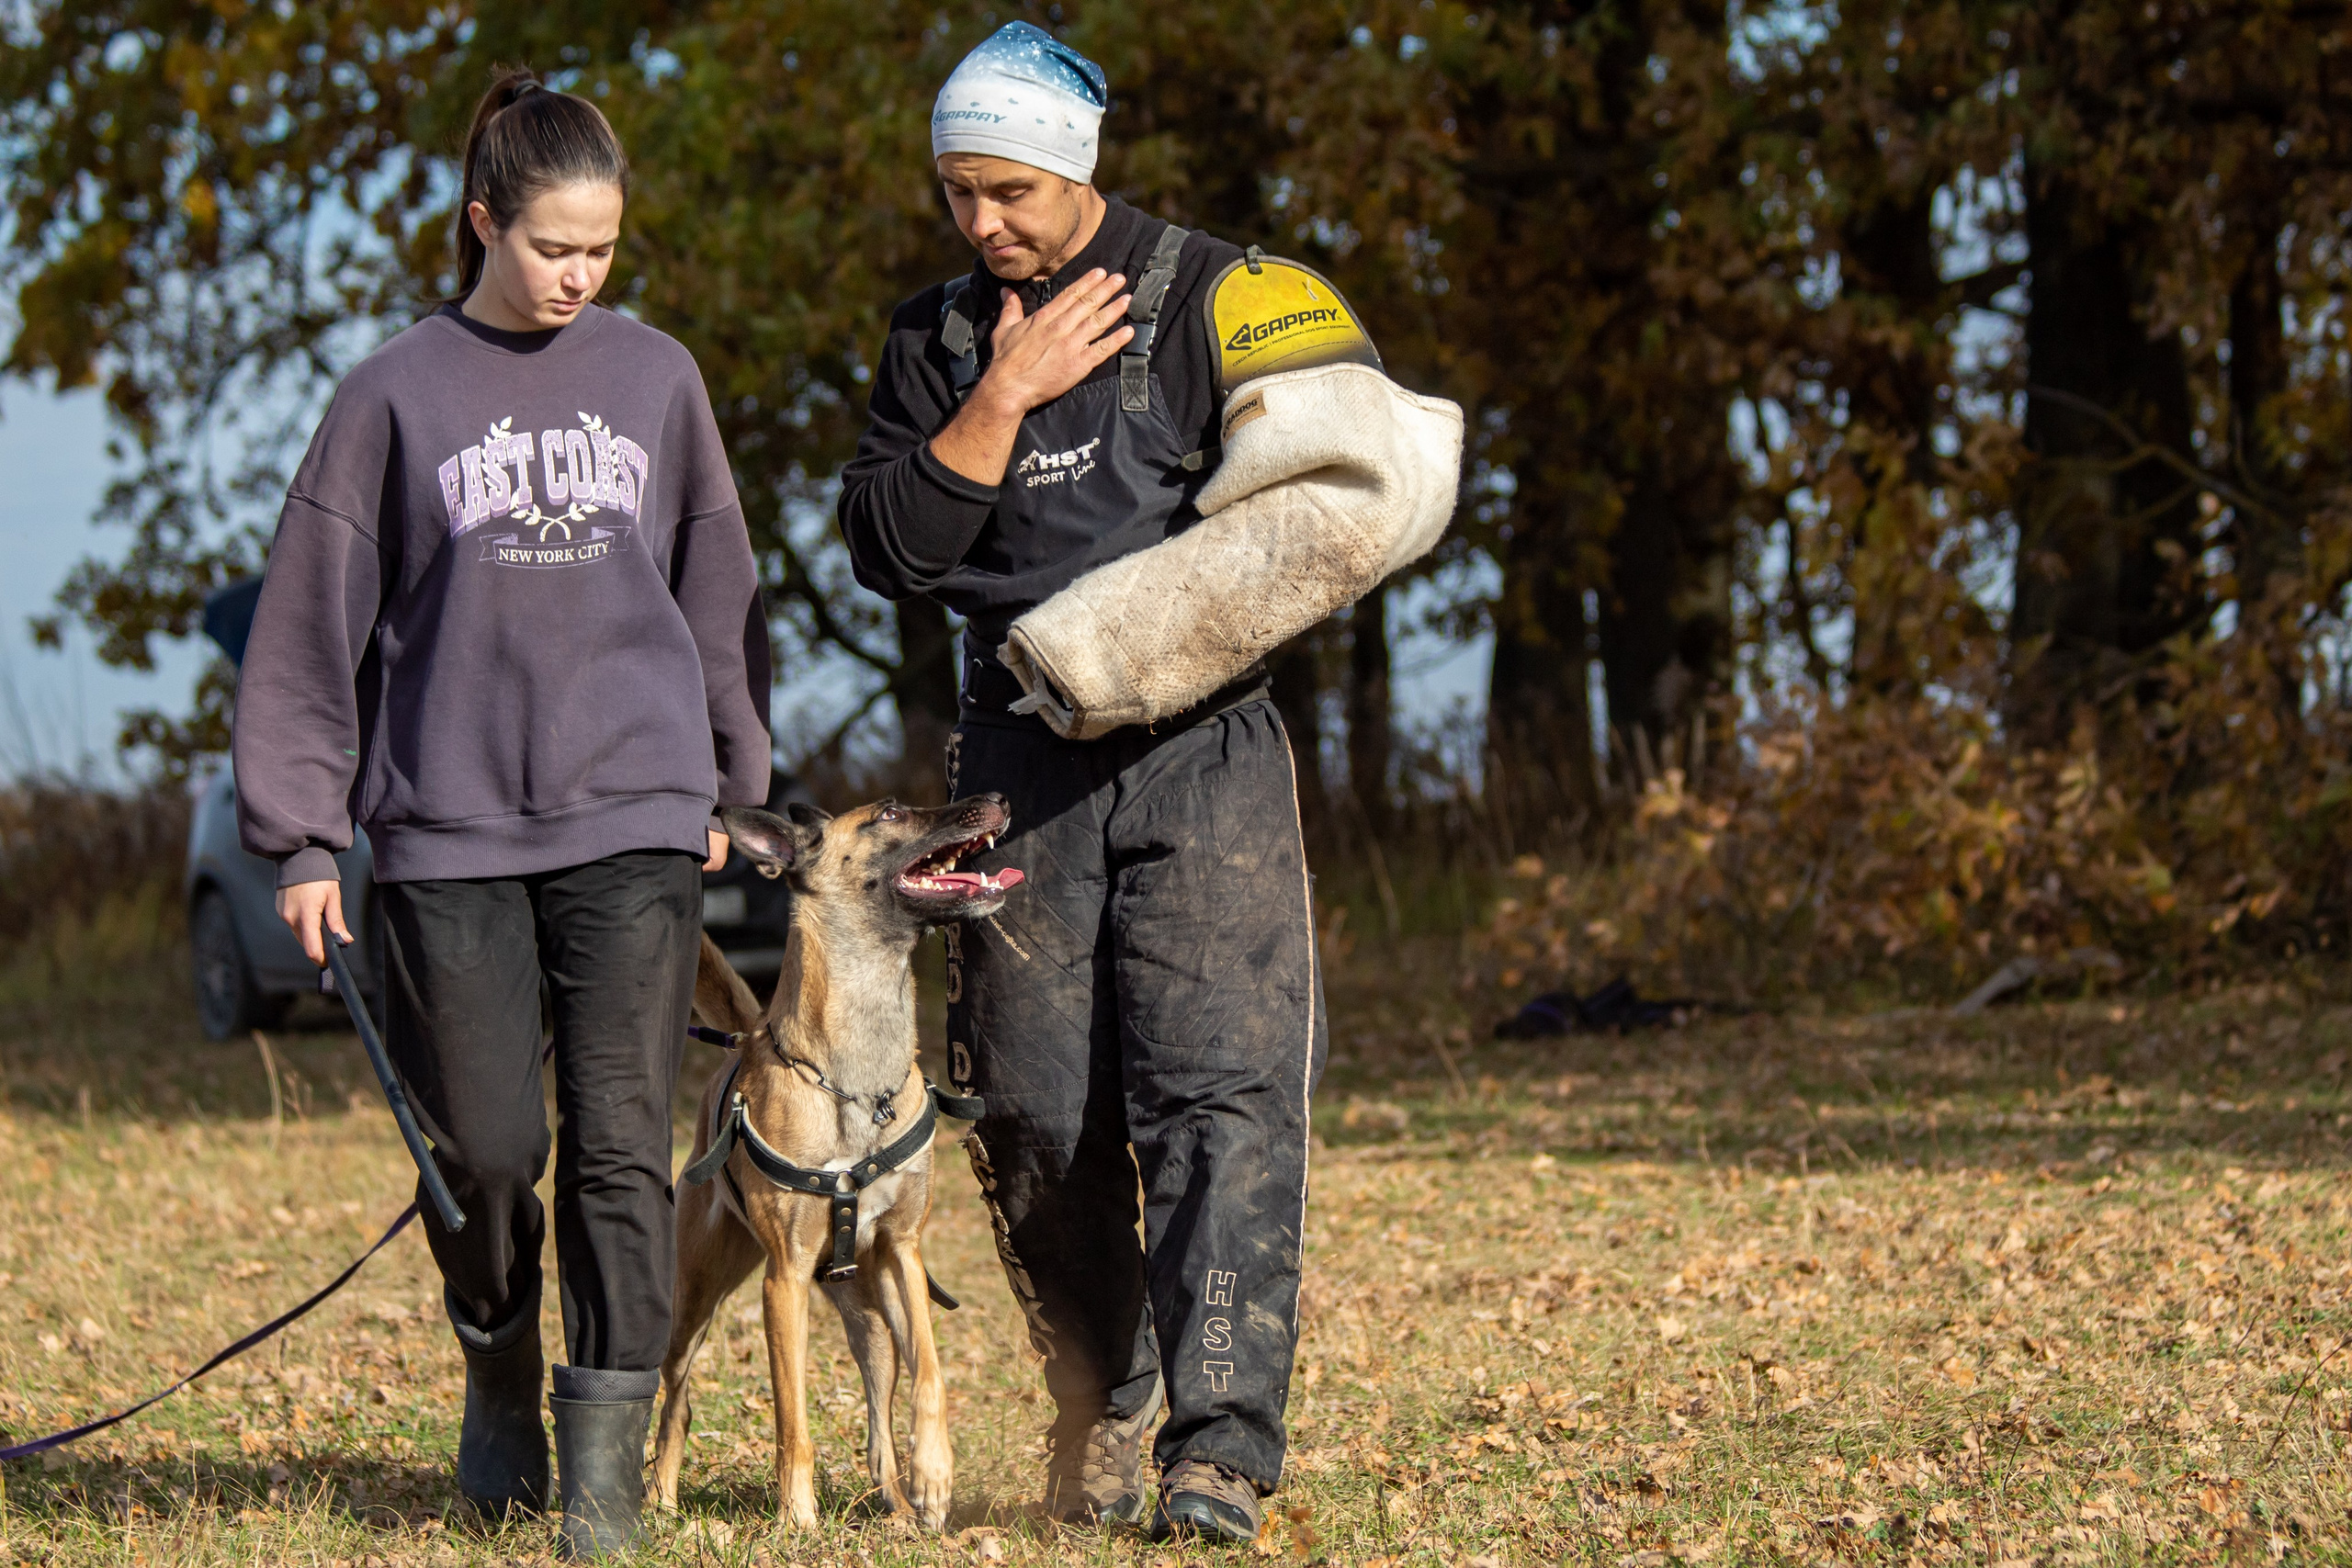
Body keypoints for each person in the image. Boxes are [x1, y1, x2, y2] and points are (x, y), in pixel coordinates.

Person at [232, 70, 769, 1560]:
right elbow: (309, 626)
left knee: (617, 1143)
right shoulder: (393, 393)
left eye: (602, 249)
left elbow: (715, 588)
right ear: (483, 223)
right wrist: (298, 833)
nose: (581, 276)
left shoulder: (659, 377)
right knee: (479, 1150)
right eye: (553, 247)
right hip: (447, 830)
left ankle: (599, 1466)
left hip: (635, 816)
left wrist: (731, 778)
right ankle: (498, 1373)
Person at [838, 22, 1325, 1545]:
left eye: (1007, 192)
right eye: (955, 195)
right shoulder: (933, 338)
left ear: (1077, 168)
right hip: (1013, 771)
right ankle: (1098, 1411)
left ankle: (1221, 1450)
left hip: (1206, 753)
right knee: (1036, 1112)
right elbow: (889, 552)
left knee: (1218, 1098)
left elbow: (1325, 506)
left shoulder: (1216, 294)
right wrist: (1005, 390)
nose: (981, 223)